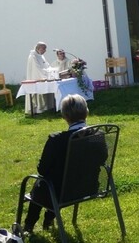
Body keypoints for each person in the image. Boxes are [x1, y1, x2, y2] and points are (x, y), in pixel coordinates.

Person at [21, 94, 97, 234]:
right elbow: (102, 158)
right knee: (50, 183)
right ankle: (48, 220)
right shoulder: (97, 136)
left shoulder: (56, 140)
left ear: (65, 116)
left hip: (61, 192)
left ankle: (28, 226)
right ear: (86, 112)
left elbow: (42, 170)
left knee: (41, 184)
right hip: (89, 186)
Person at [25, 41, 55, 114]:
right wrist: (46, 76)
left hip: (43, 78)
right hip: (36, 78)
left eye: (45, 49)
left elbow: (47, 65)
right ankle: (38, 110)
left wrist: (52, 71)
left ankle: (46, 108)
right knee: (38, 94)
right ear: (38, 48)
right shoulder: (33, 56)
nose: (45, 51)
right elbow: (37, 69)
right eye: (43, 49)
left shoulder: (41, 56)